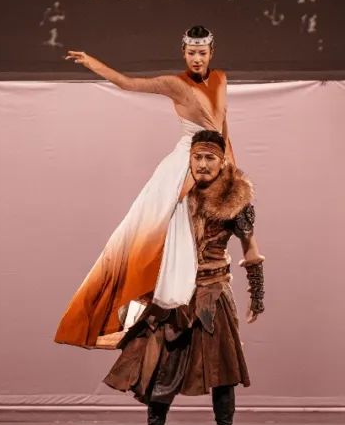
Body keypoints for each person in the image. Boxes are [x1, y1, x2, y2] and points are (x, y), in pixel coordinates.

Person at [54, 26, 236, 350]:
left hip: (213, 160)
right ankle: (137, 316)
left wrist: (232, 171)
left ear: (211, 53)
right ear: (183, 53)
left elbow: (224, 130)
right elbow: (128, 83)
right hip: (185, 163)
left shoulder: (220, 79)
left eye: (202, 53)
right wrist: (93, 63)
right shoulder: (175, 84)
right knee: (158, 240)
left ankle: (190, 308)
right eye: (191, 53)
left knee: (209, 238)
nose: (196, 58)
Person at [104, 129, 264, 425]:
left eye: (210, 158)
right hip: (175, 294)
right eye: (198, 157)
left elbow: (251, 252)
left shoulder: (235, 201)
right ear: (189, 159)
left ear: (222, 161)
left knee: (223, 374)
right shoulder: (175, 197)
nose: (203, 164)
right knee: (160, 370)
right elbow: (150, 245)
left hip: (213, 293)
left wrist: (257, 296)